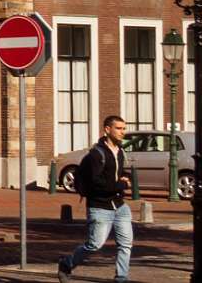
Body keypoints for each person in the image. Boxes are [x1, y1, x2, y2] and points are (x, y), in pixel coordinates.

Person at [60, 113, 132, 283]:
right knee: (95, 245)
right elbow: (97, 183)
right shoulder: (96, 154)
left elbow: (120, 173)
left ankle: (121, 278)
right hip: (100, 207)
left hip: (120, 206)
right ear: (107, 129)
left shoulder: (120, 151)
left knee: (125, 244)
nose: (122, 132)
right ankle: (67, 263)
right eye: (118, 128)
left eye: (124, 128)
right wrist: (121, 185)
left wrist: (125, 177)